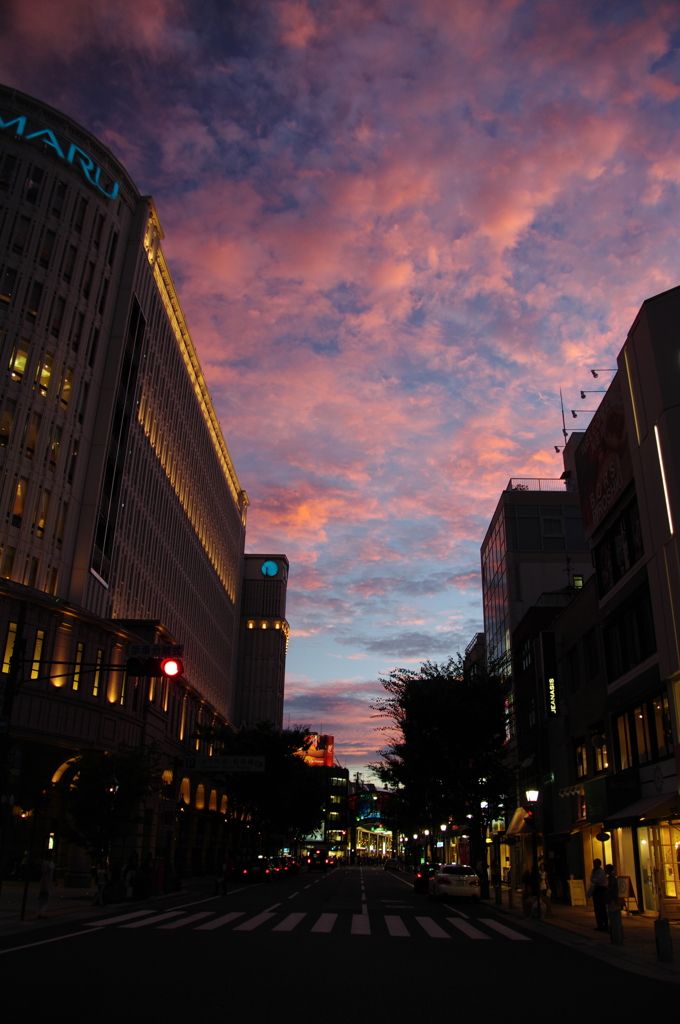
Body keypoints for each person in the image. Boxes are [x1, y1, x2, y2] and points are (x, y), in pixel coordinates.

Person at [590, 858, 608, 931]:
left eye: (597, 863)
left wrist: (595, 880)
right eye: (594, 863)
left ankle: (605, 924)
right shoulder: (593, 871)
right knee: (597, 907)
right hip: (596, 889)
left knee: (602, 908)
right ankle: (599, 924)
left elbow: (599, 880)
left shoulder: (602, 871)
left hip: (601, 889)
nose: (595, 865)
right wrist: (595, 880)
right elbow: (591, 879)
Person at [37, 852, 56, 919]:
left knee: (46, 897)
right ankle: (40, 912)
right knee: (43, 896)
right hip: (45, 881)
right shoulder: (45, 863)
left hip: (49, 881)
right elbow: (44, 874)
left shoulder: (52, 862)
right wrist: (44, 883)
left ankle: (43, 912)